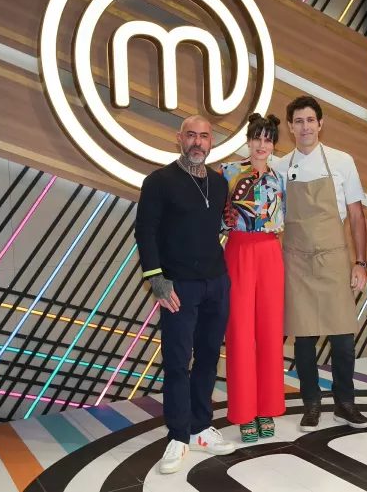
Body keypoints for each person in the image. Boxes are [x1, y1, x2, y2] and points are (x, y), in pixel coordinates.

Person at [135, 115, 235, 474]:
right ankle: (178, 435)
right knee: (178, 363)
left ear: (211, 142)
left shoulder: (219, 183)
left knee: (208, 357)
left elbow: (215, 225)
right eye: (191, 135)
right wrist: (157, 281)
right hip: (178, 286)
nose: (197, 142)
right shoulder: (159, 181)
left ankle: (200, 427)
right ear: (179, 138)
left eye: (204, 136)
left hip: (216, 283)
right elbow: (145, 232)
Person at [272, 95, 367, 432]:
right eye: (298, 121)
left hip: (334, 259)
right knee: (303, 339)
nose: (305, 127)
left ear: (320, 124)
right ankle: (311, 404)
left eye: (310, 120)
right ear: (290, 127)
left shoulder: (342, 161)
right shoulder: (279, 168)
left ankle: (345, 403)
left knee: (343, 338)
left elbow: (356, 215)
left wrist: (360, 262)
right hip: (296, 261)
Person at [220, 113, 286, 443]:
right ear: (248, 140)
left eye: (268, 139)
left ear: (273, 144)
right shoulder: (228, 172)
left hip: (271, 252)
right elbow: (217, 218)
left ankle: (266, 408)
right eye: (257, 138)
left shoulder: (280, 177)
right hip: (238, 251)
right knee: (240, 333)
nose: (262, 145)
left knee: (270, 332)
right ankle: (244, 412)